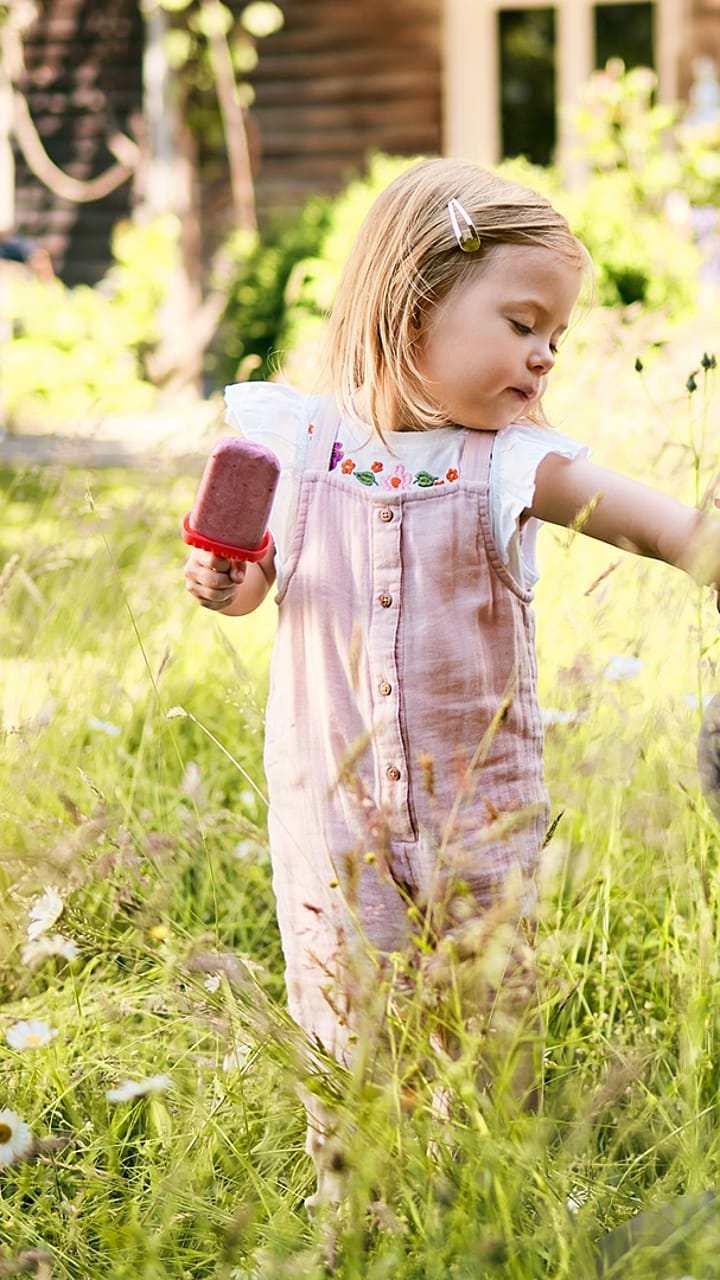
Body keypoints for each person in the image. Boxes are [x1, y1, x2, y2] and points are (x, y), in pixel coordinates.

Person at [184, 157, 720, 1204]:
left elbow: (665, 527)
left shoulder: (512, 465)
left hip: (480, 819)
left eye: (555, 336)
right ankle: (359, 1209)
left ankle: (487, 1203)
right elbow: (253, 586)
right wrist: (223, 575)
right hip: (333, 820)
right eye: (524, 324)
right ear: (414, 297)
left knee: (487, 1027)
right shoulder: (294, 444)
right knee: (347, 1028)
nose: (546, 355)